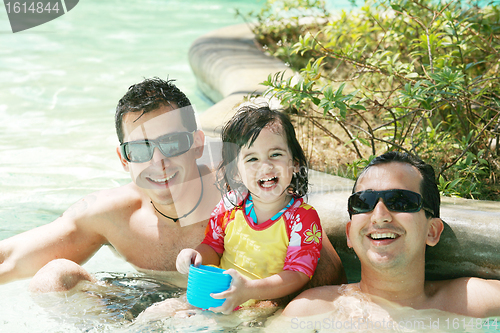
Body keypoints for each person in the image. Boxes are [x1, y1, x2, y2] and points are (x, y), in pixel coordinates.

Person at [0, 78, 345, 298]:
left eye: (172, 143)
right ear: (123, 159)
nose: (158, 161)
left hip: (248, 311)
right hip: (146, 310)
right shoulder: (111, 215)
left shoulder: (244, 189)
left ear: (197, 144)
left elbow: (325, 274)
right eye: (141, 149)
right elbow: (11, 259)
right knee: (54, 277)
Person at [282, 151, 500, 320]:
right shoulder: (311, 312)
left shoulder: (473, 302)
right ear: (349, 234)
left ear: (432, 231)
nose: (379, 216)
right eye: (364, 202)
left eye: (400, 201)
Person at [175, 104, 331, 315]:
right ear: (236, 172)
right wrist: (195, 256)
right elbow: (212, 247)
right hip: (218, 297)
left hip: (262, 307)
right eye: (252, 159)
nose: (265, 166)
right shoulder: (230, 205)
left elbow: (297, 274)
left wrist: (249, 291)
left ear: (294, 164)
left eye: (275, 154)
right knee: (159, 313)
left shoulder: (302, 218)